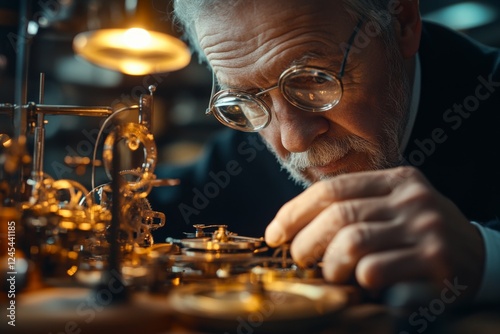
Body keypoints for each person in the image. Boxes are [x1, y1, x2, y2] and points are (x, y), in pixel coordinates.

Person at [151, 0, 500, 304]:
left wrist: (485, 259)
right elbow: (161, 205)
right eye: (247, 98)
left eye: (315, 79)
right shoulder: (244, 149)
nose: (293, 140)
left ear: (403, 22)